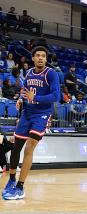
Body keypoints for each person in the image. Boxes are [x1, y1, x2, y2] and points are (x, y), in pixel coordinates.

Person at [2, 46, 60, 200]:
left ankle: (20, 187)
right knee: (16, 148)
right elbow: (25, 90)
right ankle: (12, 179)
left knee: (29, 146)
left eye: (43, 56)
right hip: (27, 114)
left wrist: (36, 98)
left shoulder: (51, 74)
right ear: (33, 58)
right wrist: (21, 99)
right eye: (38, 55)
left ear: (46, 59)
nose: (41, 58)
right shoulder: (28, 73)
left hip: (42, 114)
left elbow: (55, 96)